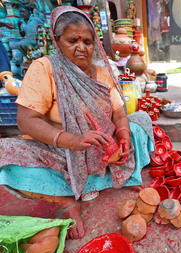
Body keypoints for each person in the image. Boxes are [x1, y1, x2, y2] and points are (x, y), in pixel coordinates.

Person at [0, 6, 154, 239]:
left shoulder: (102, 73)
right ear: (57, 41)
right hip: (62, 151)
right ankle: (66, 201)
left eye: (88, 42)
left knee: (140, 120)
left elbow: (119, 113)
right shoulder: (45, 68)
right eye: (73, 40)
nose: (82, 48)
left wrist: (122, 134)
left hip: (105, 148)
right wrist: (73, 140)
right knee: (4, 154)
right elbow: (26, 120)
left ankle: (121, 174)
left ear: (95, 44)